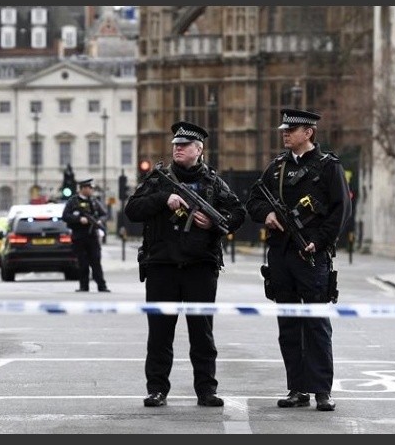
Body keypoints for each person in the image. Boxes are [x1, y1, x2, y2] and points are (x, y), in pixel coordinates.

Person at [124, 121, 246, 407]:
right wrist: (163, 199)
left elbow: (237, 213)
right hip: (162, 266)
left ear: (199, 149)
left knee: (202, 332)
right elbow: (132, 210)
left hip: (200, 267)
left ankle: (206, 390)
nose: (177, 149)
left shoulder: (213, 182)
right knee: (160, 333)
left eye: (184, 145)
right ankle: (157, 389)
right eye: (175, 145)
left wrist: (214, 225)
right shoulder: (158, 180)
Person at [245, 108, 352, 412]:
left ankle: (321, 390)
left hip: (311, 255)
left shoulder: (328, 167)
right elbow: (253, 199)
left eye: (291, 130)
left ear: (309, 133)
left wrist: (320, 242)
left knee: (316, 324)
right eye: (284, 130)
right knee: (289, 324)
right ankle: (297, 388)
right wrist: (265, 214)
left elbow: (341, 210)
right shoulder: (276, 168)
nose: (285, 134)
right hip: (281, 255)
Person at [62, 178, 110, 293]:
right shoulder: (73, 202)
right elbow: (65, 216)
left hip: (92, 236)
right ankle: (84, 286)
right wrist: (79, 219)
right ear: (83, 188)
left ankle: (101, 286)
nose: (91, 190)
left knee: (96, 261)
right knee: (82, 263)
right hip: (79, 236)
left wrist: (99, 221)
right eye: (89, 188)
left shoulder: (93, 201)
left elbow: (104, 214)